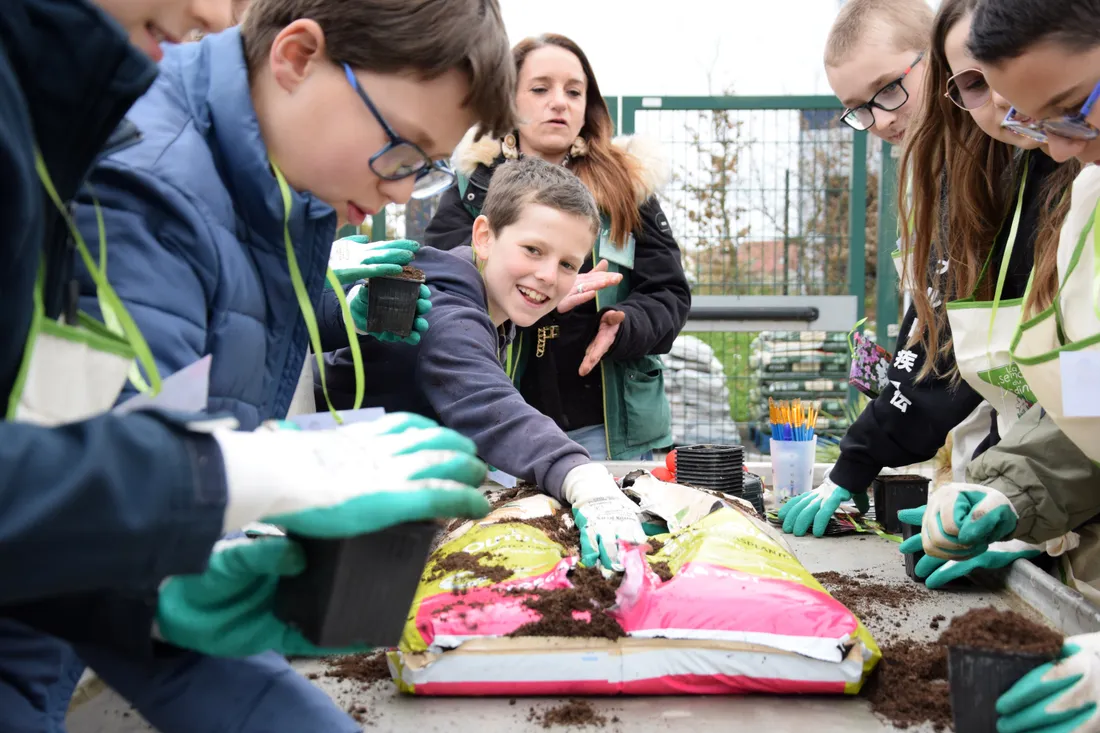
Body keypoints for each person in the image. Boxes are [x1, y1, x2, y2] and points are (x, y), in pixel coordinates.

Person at [0, 0, 516, 730]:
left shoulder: (285, 197)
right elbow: (100, 525)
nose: (402, 189)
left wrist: (334, 306)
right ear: (298, 58)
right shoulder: (149, 194)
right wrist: (237, 483)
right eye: (402, 151)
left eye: (424, 169)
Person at [779, 0, 1079, 538]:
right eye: (859, 110)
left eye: (890, 89)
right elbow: (935, 329)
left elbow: (1077, 381)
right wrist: (1008, 490)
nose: (881, 119)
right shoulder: (943, 177)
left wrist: (1010, 489)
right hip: (1029, 476)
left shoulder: (1052, 167)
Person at [322, 156, 650, 573]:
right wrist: (581, 476)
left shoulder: (490, 302)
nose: (549, 275)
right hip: (330, 510)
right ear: (484, 237)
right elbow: (488, 402)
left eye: (568, 264)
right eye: (533, 250)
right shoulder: (444, 308)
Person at [423, 33, 691, 462]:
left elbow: (670, 294)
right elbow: (442, 287)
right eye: (540, 88)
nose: (559, 102)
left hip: (606, 426)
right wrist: (543, 293)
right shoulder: (472, 184)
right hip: (496, 419)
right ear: (508, 100)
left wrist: (623, 325)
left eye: (574, 91)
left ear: (589, 104)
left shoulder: (628, 184)